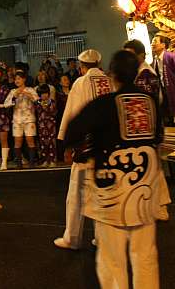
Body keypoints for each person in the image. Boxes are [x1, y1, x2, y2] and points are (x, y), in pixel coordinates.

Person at [63, 49, 168, 289]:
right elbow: (158, 136)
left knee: (112, 257)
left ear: (113, 74)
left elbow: (74, 130)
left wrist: (81, 148)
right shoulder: (149, 101)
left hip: (112, 188)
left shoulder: (105, 104)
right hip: (144, 186)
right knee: (145, 254)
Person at [54, 49, 112, 250]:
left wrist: (66, 143)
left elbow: (73, 113)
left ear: (82, 67)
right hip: (108, 146)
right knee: (103, 193)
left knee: (76, 193)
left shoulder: (81, 82)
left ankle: (72, 237)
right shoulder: (110, 82)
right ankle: (102, 237)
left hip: (86, 145)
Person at [4, 72, 39, 167]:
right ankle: (19, 164)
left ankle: (31, 163)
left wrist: (29, 95)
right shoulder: (13, 91)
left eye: (19, 78)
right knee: (17, 141)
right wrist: (14, 97)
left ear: (24, 79)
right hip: (17, 120)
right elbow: (6, 104)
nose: (17, 81)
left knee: (30, 140)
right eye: (15, 79)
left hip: (29, 119)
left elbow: (38, 101)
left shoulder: (30, 89)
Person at [36, 84, 58, 167]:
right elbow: (37, 112)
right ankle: (45, 160)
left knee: (52, 142)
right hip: (41, 126)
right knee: (43, 143)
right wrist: (41, 105)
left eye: (45, 93)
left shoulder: (52, 102)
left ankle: (52, 160)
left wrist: (46, 107)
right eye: (42, 94)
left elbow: (54, 112)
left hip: (51, 126)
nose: (44, 95)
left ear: (48, 93)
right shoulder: (38, 102)